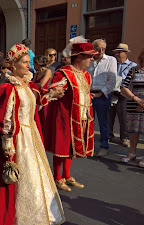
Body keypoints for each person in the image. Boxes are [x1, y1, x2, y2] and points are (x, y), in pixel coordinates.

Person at [0, 44, 65, 225]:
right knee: (18, 176)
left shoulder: (28, 84)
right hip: (18, 138)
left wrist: (52, 93)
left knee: (34, 174)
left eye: (29, 62)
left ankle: (37, 211)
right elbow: (5, 120)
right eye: (25, 62)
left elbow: (38, 102)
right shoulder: (8, 89)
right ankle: (16, 213)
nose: (29, 66)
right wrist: (8, 146)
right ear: (14, 65)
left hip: (31, 134)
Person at [45, 41, 97, 192]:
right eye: (89, 56)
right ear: (80, 57)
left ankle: (67, 176)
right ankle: (57, 177)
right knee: (61, 146)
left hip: (81, 116)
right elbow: (54, 90)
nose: (91, 60)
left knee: (71, 147)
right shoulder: (64, 73)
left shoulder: (86, 75)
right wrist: (57, 90)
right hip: (64, 116)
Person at [85, 39, 117, 156]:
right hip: (89, 94)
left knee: (103, 122)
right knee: (88, 121)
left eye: (103, 48)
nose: (101, 51)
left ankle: (104, 146)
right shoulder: (89, 60)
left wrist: (100, 93)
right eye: (98, 48)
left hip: (102, 95)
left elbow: (112, 81)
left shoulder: (110, 60)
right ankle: (88, 146)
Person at [120, 48, 144, 167]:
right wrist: (136, 99)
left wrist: (142, 103)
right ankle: (132, 153)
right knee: (133, 131)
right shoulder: (134, 70)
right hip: (133, 104)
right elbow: (124, 87)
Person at [109, 43, 137, 147]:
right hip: (113, 93)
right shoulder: (113, 64)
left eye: (119, 52)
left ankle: (124, 138)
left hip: (124, 94)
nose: (116, 54)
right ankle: (109, 135)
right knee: (110, 116)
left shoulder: (133, 66)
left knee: (123, 118)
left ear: (125, 53)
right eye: (116, 52)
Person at [33, 55, 52, 131]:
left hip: (45, 99)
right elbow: (33, 84)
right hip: (37, 98)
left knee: (44, 119)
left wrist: (32, 85)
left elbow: (41, 84)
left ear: (38, 64)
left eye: (34, 63)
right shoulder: (37, 73)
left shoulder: (48, 71)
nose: (33, 65)